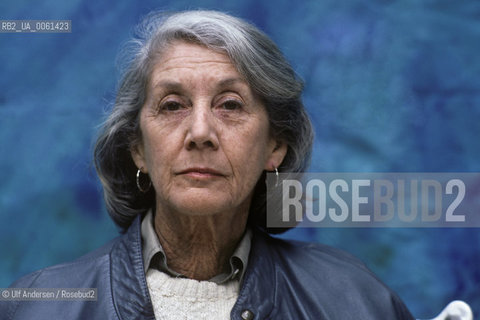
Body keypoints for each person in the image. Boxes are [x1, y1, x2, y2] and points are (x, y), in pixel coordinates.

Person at [0, 10, 414, 319]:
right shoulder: (39, 306)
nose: (200, 131)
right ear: (138, 148)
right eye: (173, 105)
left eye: (230, 105)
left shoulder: (353, 300)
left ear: (276, 147)